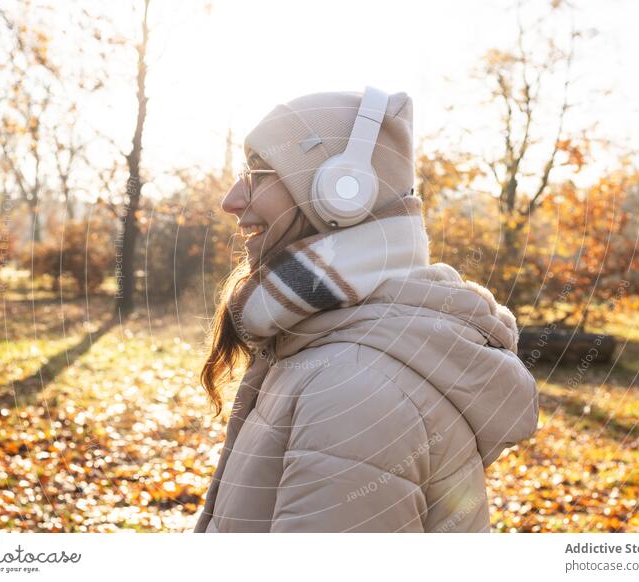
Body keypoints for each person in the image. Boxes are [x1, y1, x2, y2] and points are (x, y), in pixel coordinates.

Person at [194, 87, 539, 533]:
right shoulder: (319, 345)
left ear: (342, 192)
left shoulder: (353, 389)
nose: (231, 199)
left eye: (258, 173)